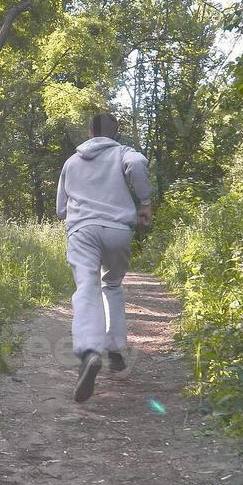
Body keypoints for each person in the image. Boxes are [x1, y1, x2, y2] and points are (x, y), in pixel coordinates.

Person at [55, 111, 153, 403]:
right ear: (116, 132)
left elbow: (61, 209)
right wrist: (145, 202)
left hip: (82, 231)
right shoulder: (123, 152)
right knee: (111, 285)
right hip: (118, 230)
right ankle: (115, 350)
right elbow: (137, 163)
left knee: (87, 287)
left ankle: (89, 351)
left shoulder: (71, 162)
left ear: (89, 131)